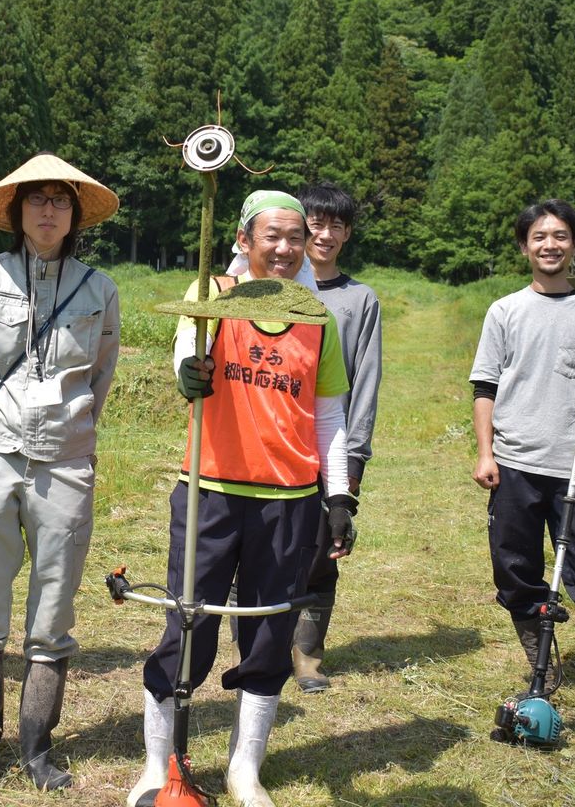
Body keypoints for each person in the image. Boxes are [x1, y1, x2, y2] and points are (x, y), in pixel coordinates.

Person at [128, 190, 356, 807]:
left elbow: (330, 417)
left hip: (290, 499)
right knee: (188, 624)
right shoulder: (213, 302)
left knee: (266, 634)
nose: (284, 248)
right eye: (271, 236)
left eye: (295, 237)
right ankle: (158, 766)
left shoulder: (317, 319)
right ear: (245, 240)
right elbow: (186, 357)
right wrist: (189, 373)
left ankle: (244, 771)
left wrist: (340, 498)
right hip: (211, 492)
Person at [0, 152, 121, 790]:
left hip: (67, 462)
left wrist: (76, 433)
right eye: (36, 199)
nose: (48, 210)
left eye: (60, 200)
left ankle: (37, 749)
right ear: (16, 211)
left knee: (54, 609)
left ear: (74, 213)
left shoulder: (99, 288)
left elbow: (98, 377)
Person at [469, 199, 575, 728]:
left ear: (574, 245)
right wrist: (485, 452)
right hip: (516, 461)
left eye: (560, 236)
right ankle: (544, 669)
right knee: (515, 568)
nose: (549, 245)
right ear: (525, 246)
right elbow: (485, 387)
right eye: (539, 236)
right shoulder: (505, 310)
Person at [290, 181, 382, 692]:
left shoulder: (359, 299)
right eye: (316, 223)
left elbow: (365, 379)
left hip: (334, 441)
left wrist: (355, 454)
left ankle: (308, 654)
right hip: (275, 440)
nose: (324, 234)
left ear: (347, 234)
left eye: (336, 226)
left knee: (325, 545)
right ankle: (259, 638)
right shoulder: (278, 288)